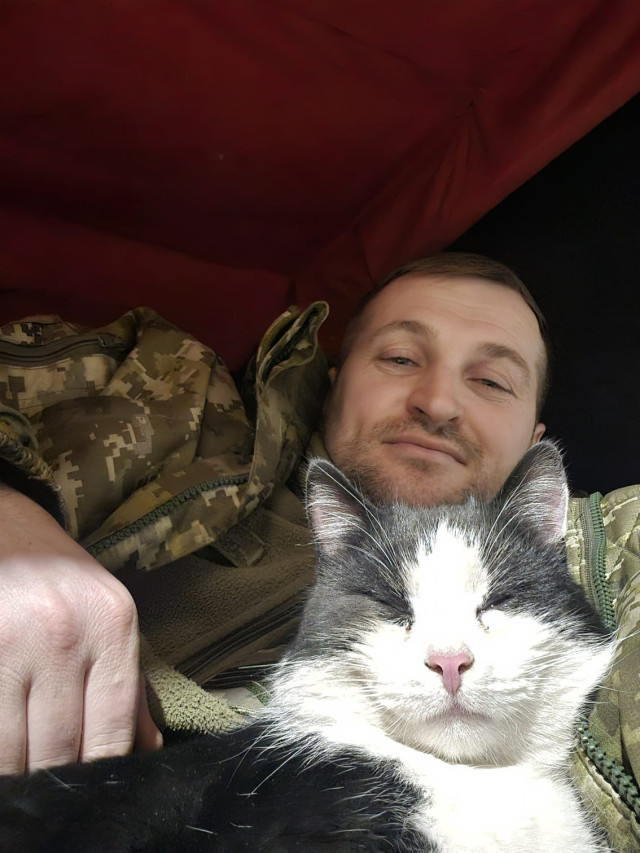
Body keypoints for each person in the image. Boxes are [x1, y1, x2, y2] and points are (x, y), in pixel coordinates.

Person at [0, 253, 636, 850]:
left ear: (534, 435)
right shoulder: (166, 389)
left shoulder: (615, 549)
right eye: (400, 358)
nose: (439, 403)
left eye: (492, 381)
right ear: (333, 384)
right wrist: (13, 518)